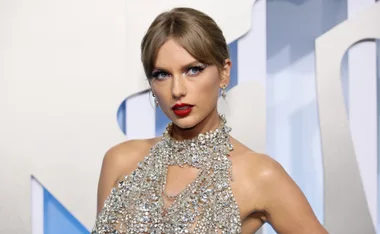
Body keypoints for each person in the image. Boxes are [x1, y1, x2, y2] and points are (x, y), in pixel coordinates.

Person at [91, 7, 328, 234]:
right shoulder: (120, 160)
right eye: (162, 74)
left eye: (193, 70)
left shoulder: (259, 175)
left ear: (224, 72)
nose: (177, 90)